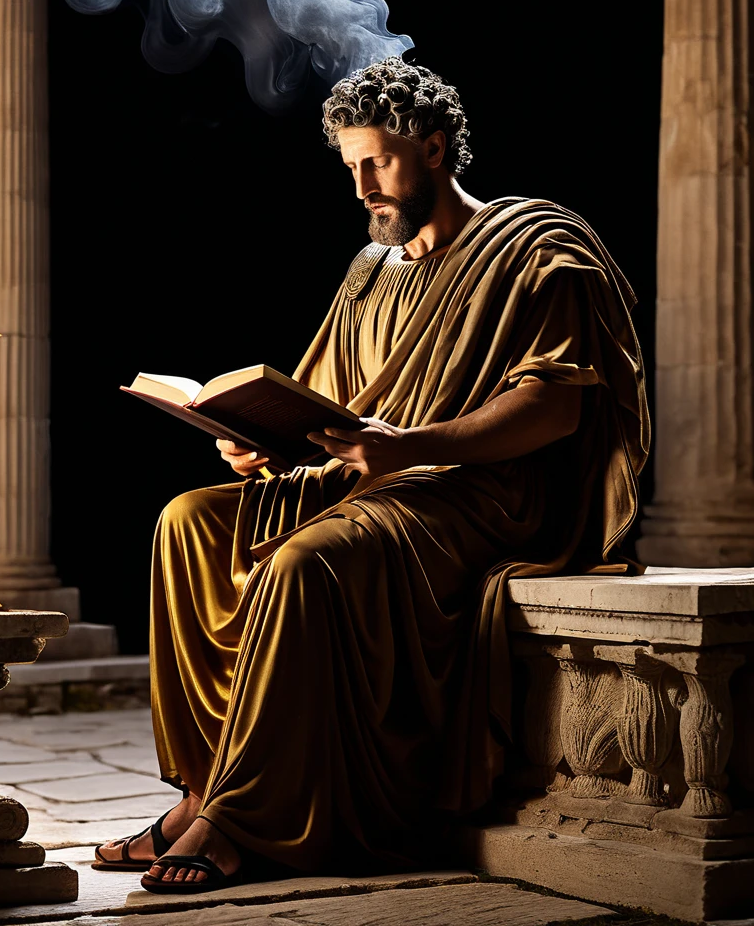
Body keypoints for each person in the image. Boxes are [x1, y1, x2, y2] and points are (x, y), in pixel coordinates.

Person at [93, 55, 649, 893]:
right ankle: (202, 788)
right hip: (382, 479)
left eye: (377, 161)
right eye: (350, 166)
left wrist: (411, 446)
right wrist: (253, 438)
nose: (360, 186)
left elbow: (553, 409)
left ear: (433, 149)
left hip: (486, 492)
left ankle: (247, 821)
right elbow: (331, 409)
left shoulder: (535, 245)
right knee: (190, 519)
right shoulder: (369, 271)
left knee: (303, 562)